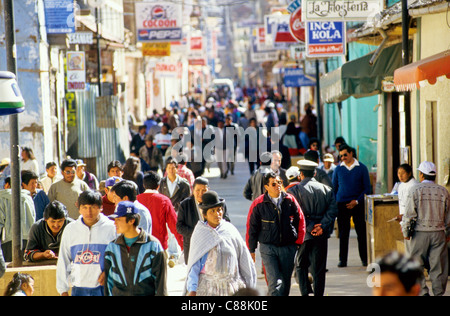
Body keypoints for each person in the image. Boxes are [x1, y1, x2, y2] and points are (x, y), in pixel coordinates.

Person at [186, 191, 257, 296]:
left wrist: (249, 286)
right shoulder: (200, 233)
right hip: (207, 289)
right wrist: (192, 289)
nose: (217, 214)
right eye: (212, 211)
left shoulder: (230, 230)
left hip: (231, 288)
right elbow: (194, 265)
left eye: (219, 210)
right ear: (204, 214)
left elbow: (244, 259)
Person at [246, 172, 306, 296]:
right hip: (268, 248)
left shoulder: (289, 200)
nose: (278, 186)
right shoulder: (258, 203)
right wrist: (251, 249)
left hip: (288, 248)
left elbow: (300, 220)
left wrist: (298, 242)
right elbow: (251, 228)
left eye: (279, 182)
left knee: (285, 282)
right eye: (273, 184)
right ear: (266, 187)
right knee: (274, 282)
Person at [287, 160, 338, 296]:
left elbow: (295, 213)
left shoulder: (294, 191)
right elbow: (333, 210)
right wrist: (322, 225)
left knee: (300, 265)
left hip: (304, 233)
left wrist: (309, 227)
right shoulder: (326, 189)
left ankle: (305, 293)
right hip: (321, 233)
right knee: (319, 268)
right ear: (315, 173)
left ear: (301, 174)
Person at [401, 161, 450, 296]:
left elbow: (409, 214)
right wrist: (447, 233)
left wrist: (406, 232)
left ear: (421, 175)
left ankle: (423, 292)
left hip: (419, 234)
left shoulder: (415, 190)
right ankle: (438, 293)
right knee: (438, 266)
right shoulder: (443, 191)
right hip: (439, 233)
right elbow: (448, 217)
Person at [56, 190, 116, 296]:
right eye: (84, 207)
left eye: (93, 207)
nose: (89, 212)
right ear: (78, 208)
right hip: (78, 289)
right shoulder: (70, 229)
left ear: (101, 207)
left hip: (105, 288)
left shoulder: (112, 228)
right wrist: (63, 290)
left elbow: (120, 257)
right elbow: (63, 260)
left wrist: (109, 271)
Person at [104, 201, 167, 296]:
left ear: (131, 221)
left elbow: (161, 283)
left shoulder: (153, 246)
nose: (115, 223)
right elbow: (108, 282)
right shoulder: (112, 247)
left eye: (119, 219)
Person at [332, 144, 371, 267]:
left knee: (361, 232)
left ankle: (364, 259)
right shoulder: (338, 169)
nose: (343, 157)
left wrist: (357, 201)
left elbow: (367, 188)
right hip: (342, 205)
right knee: (343, 234)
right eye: (341, 155)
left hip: (358, 204)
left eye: (345, 155)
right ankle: (342, 260)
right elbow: (334, 188)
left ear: (351, 154)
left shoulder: (362, 168)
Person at [177, 177, 231, 263]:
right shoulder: (185, 204)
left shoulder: (218, 203)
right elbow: (179, 227)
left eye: (204, 190)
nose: (200, 194)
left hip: (214, 246)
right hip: (193, 246)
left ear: (208, 190)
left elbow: (226, 221)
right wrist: (198, 234)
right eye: (197, 190)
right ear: (193, 190)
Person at [137, 171, 183, 253]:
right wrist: (183, 246)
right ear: (158, 186)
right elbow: (174, 225)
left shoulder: (136, 200)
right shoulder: (164, 200)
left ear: (144, 185)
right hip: (159, 247)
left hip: (139, 247)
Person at [0, 177, 36, 262]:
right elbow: (33, 217)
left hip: (9, 240)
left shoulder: (2, 198)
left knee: (10, 270)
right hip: (28, 239)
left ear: (7, 185)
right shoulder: (28, 198)